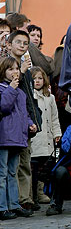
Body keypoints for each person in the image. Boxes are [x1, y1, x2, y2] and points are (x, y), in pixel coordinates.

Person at [7, 30, 42, 211]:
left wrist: (34, 118)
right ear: (9, 44)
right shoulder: (8, 65)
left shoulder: (27, 68)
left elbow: (29, 97)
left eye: (25, 43)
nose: (22, 46)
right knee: (15, 165)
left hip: (26, 119)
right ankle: (17, 200)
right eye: (18, 42)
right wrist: (19, 71)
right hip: (11, 122)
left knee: (26, 161)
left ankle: (26, 198)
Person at [0, 57, 35, 219]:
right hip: (4, 136)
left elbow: (23, 113)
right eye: (10, 69)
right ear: (3, 72)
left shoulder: (20, 92)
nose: (14, 72)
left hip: (17, 137)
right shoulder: (2, 88)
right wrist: (11, 89)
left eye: (16, 69)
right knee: (2, 173)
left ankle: (14, 204)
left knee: (12, 172)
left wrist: (30, 123)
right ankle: (2, 207)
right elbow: (4, 106)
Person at [30, 66, 62, 208]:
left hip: (48, 139)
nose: (37, 81)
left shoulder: (50, 97)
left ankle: (42, 191)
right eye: (34, 78)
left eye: (40, 78)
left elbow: (54, 118)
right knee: (33, 168)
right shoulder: (30, 96)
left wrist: (57, 133)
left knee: (46, 167)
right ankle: (33, 194)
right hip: (35, 139)